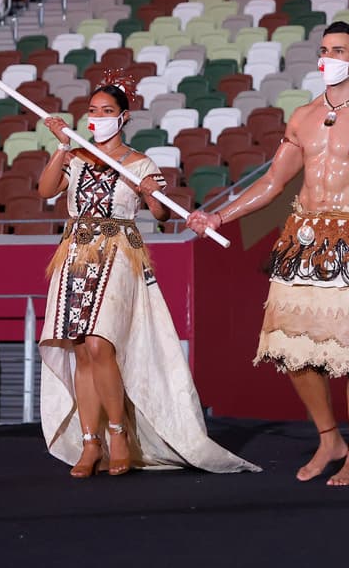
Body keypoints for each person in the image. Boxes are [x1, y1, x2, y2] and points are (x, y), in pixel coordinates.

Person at [187, 23, 349, 487]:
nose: (328, 57)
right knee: (290, 348)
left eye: (338, 50)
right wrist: (219, 216)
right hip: (304, 239)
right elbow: (273, 183)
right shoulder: (303, 117)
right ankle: (328, 437)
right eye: (323, 50)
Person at [38, 74, 258, 477]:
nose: (98, 118)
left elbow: (158, 213)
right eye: (92, 111)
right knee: (80, 347)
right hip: (75, 254)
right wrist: (62, 146)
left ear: (123, 118)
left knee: (101, 343)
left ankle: (118, 434)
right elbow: (45, 190)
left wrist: (144, 189)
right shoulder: (76, 156)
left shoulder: (140, 162)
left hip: (119, 251)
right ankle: (90, 443)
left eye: (107, 112)